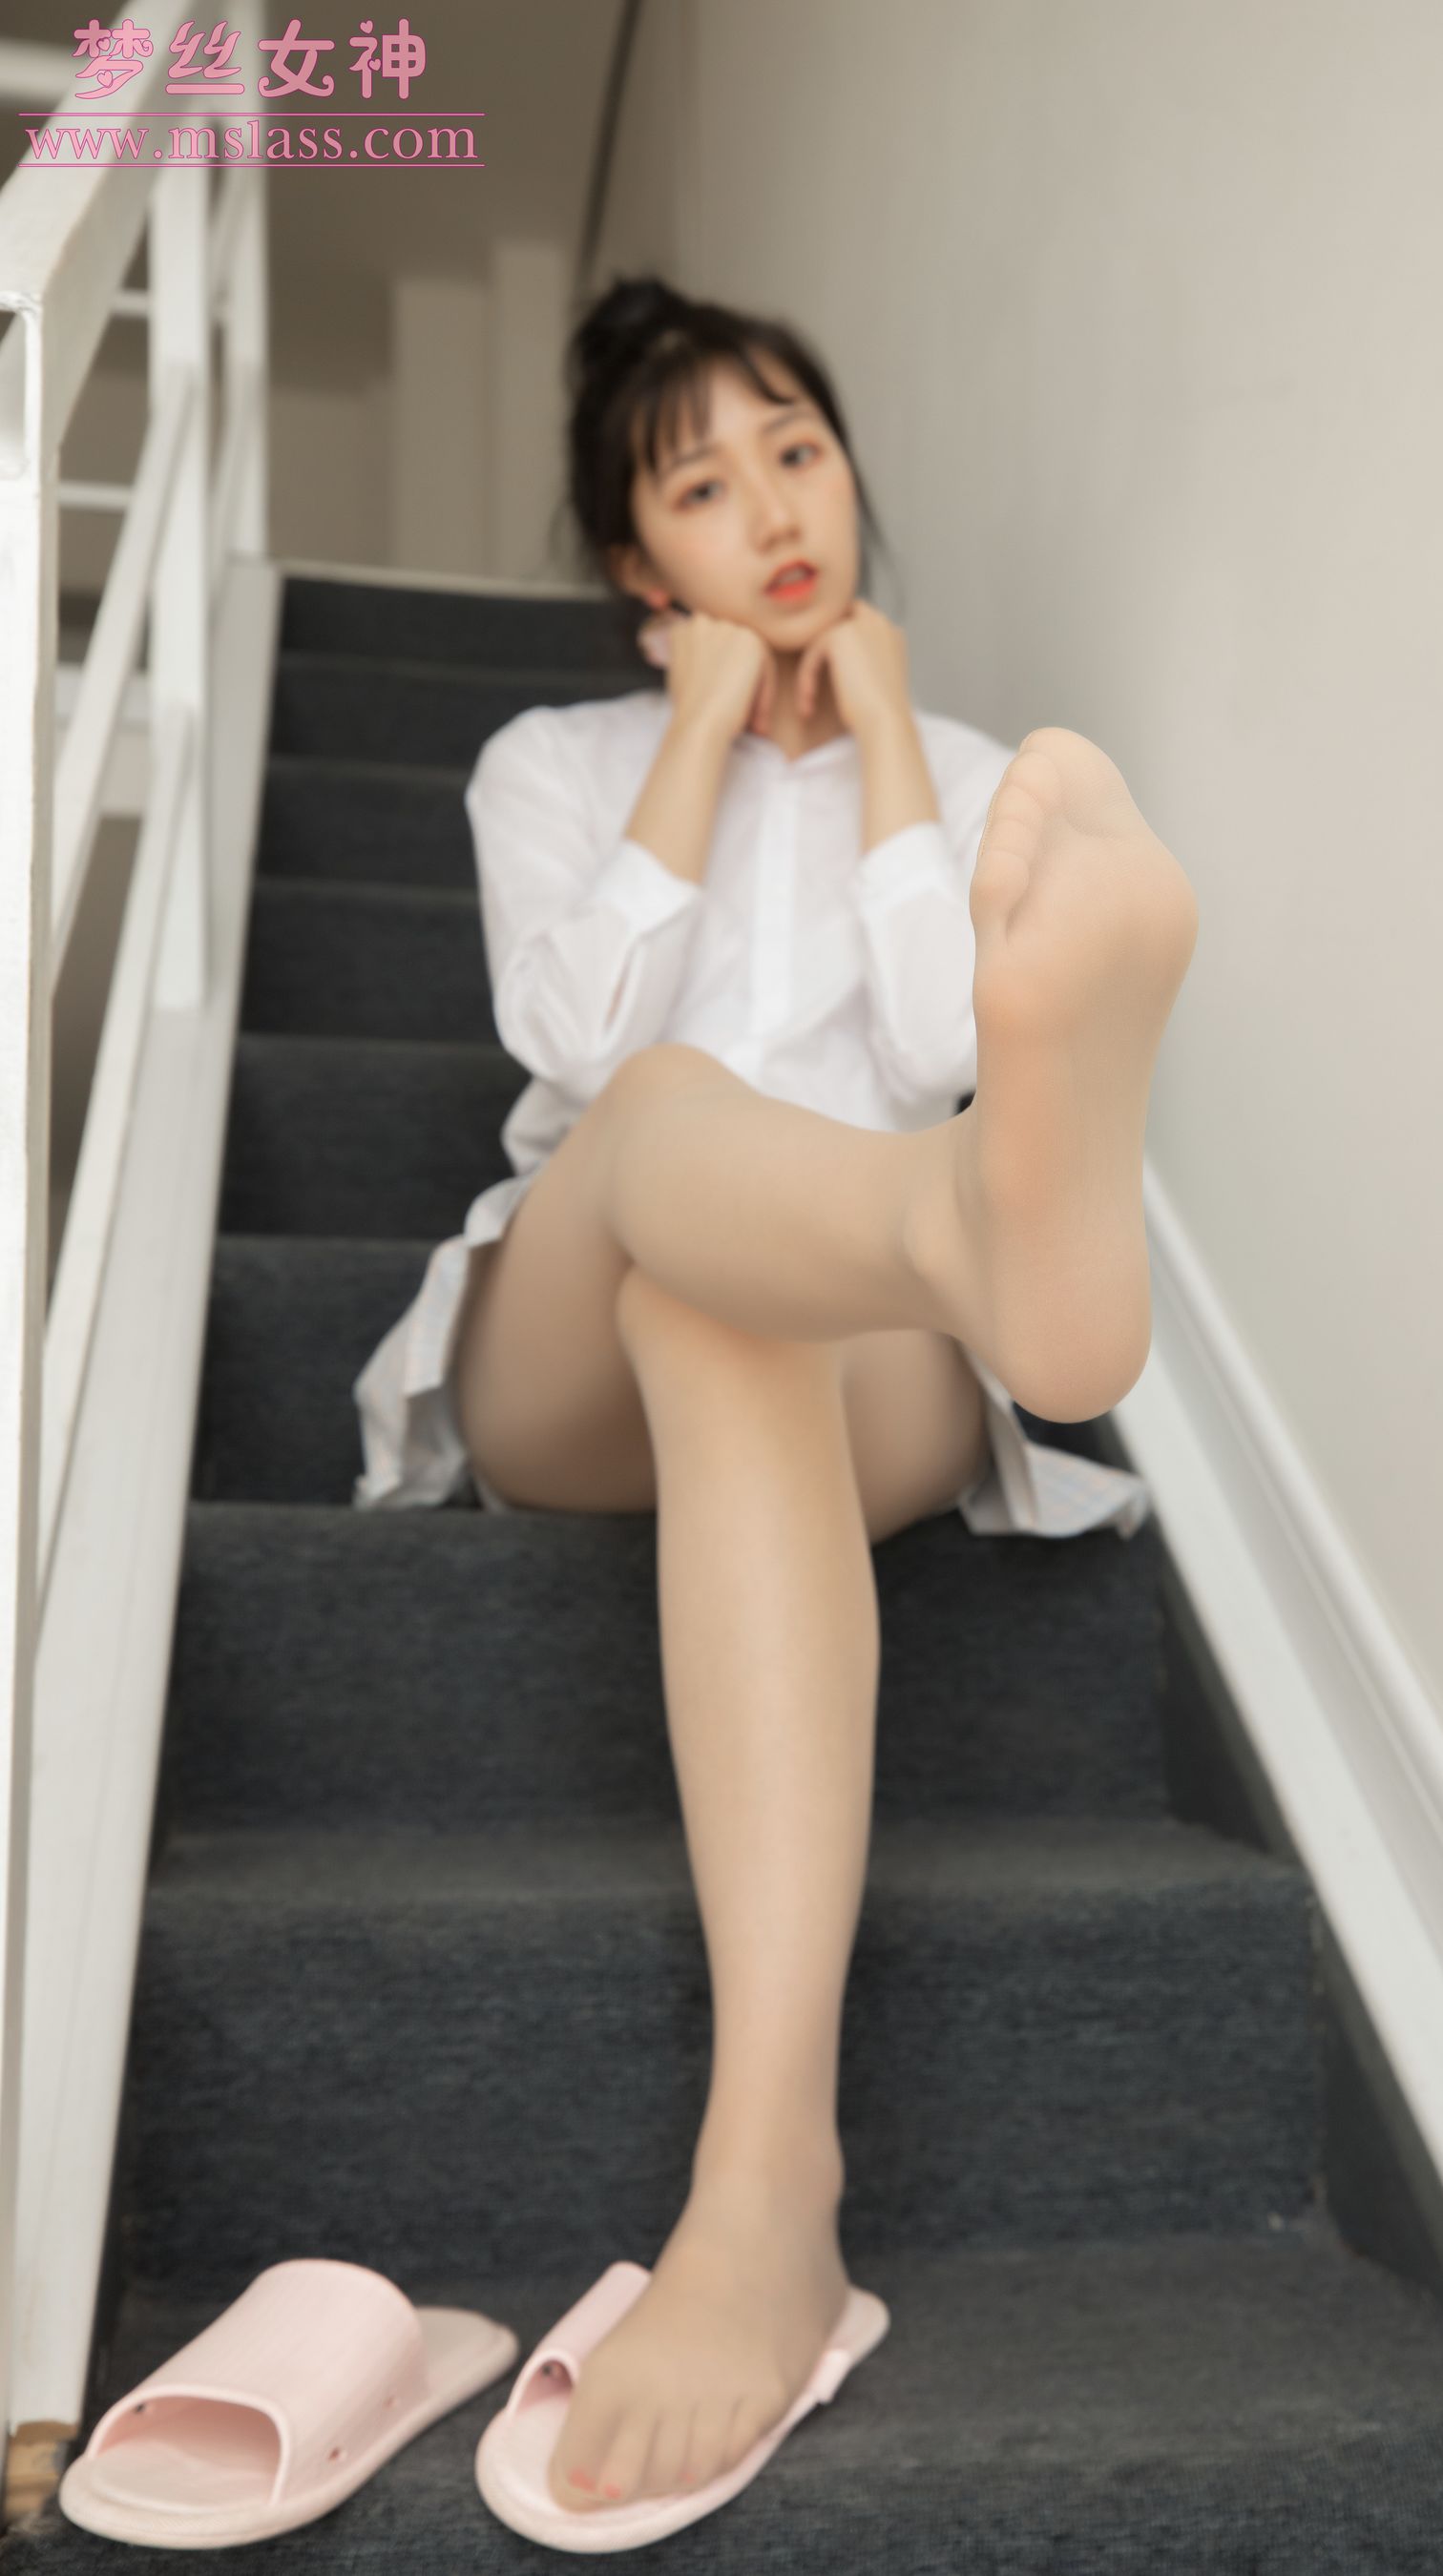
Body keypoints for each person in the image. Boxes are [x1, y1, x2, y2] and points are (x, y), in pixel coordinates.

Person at [349, 272, 1200, 2518]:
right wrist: (705, 738)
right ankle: (968, 1233)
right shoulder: (550, 767)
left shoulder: (986, 779)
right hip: (564, 1345)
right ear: (639, 562)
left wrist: (892, 733)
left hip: (850, 1367)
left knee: (735, 1302)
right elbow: (566, 1044)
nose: (774, 508)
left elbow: (936, 1037)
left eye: (795, 450)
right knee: (658, 1117)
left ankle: (770, 2192)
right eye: (703, 485)